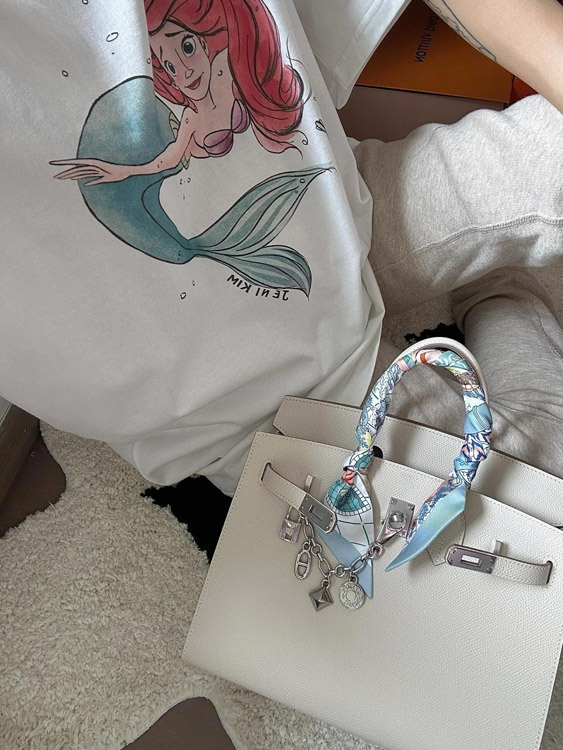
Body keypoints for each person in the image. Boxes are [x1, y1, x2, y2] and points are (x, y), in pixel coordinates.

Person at [1, 0, 562, 500]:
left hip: (329, 208)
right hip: (261, 401)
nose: (180, 71)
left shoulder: (230, 67)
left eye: (185, 50)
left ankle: (491, 276)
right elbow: (159, 163)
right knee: (539, 493)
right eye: (167, 64)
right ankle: (499, 287)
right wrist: (113, 171)